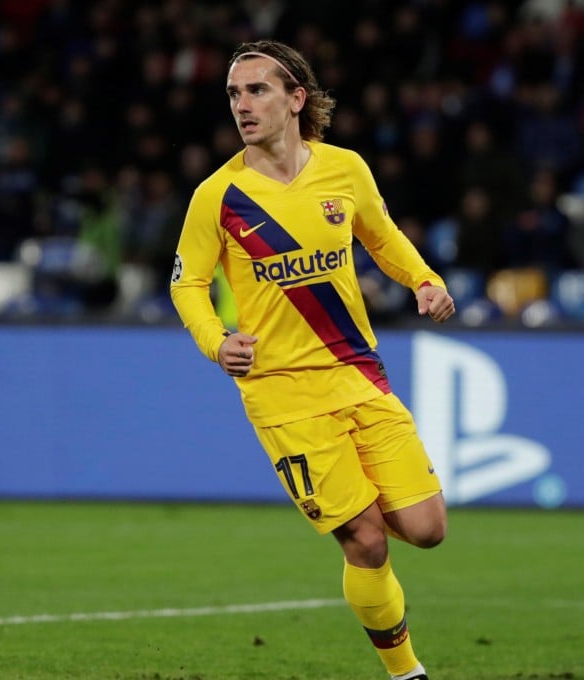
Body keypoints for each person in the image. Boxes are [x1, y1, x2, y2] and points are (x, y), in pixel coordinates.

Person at [169, 40, 455, 680]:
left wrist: (424, 280)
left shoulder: (344, 169)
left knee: (428, 526)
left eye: (257, 90)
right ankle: (407, 673)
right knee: (367, 540)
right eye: (234, 94)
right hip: (281, 394)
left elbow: (382, 236)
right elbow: (186, 284)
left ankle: (354, 513)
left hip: (357, 372)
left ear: (297, 98)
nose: (242, 104)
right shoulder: (217, 196)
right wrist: (218, 342)